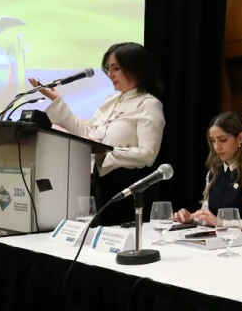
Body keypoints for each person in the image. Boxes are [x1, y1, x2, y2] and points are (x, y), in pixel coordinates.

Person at [29, 41, 165, 227]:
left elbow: (148, 155)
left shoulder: (148, 104)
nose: (110, 74)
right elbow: (86, 134)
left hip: (128, 185)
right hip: (100, 183)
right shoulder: (111, 100)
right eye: (108, 68)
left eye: (116, 68)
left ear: (136, 68)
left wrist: (105, 151)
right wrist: (57, 100)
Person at [173, 112, 242, 231]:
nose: (216, 147)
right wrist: (191, 218)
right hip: (217, 241)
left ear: (240, 138)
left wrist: (222, 223)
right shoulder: (214, 173)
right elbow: (208, 217)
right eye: (213, 141)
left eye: (223, 140)